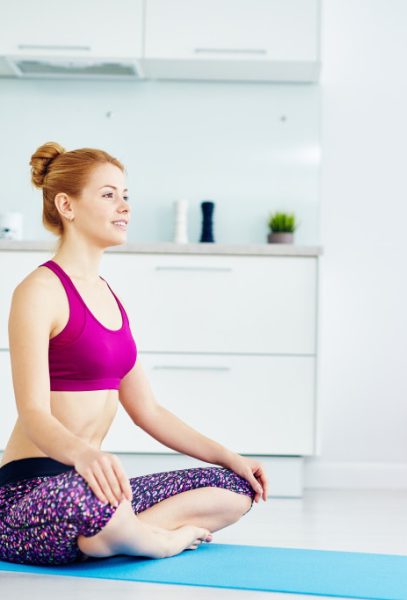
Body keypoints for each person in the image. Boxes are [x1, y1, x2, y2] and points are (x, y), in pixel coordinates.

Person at [0, 142, 269, 566]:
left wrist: (230, 456)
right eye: (108, 195)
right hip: (30, 493)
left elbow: (150, 412)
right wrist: (85, 455)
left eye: (126, 196)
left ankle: (115, 535)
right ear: (67, 205)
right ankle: (151, 538)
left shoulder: (109, 299)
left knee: (232, 490)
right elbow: (33, 412)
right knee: (89, 496)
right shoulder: (38, 292)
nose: (123, 206)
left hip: (97, 488)